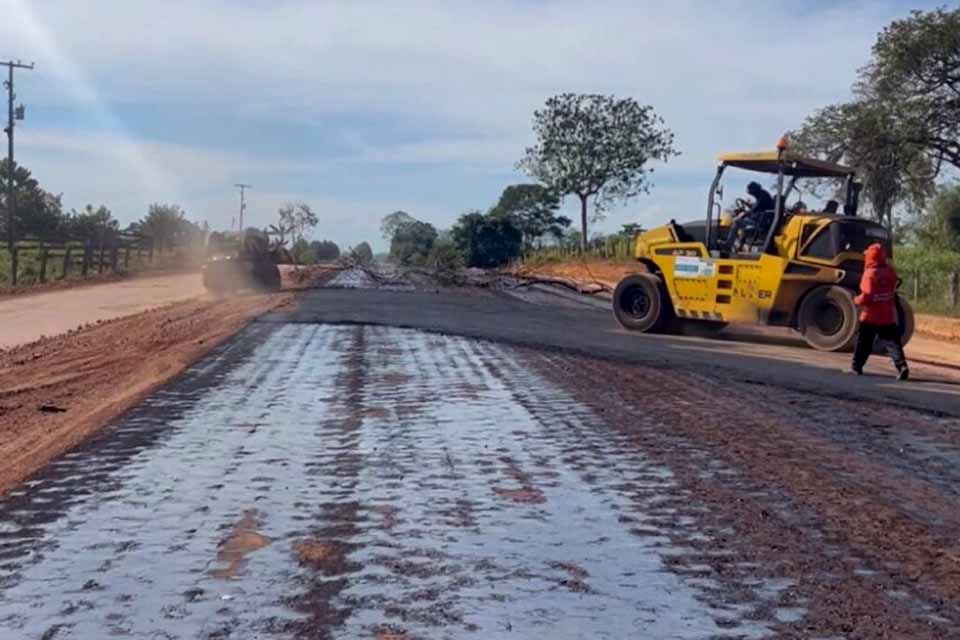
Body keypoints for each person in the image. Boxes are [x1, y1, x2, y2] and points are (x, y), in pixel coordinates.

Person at [850, 243, 909, 380]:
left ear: (870, 257)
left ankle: (856, 367)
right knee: (893, 343)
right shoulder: (889, 271)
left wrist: (856, 300)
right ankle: (902, 366)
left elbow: (868, 295)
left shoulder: (869, 274)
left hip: (870, 316)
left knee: (863, 342)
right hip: (887, 315)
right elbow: (893, 286)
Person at [726, 182, 775, 251]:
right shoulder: (762, 194)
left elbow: (754, 209)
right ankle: (739, 247)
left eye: (750, 191)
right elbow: (757, 207)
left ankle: (728, 244)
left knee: (736, 222)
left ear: (754, 189)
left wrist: (743, 214)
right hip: (762, 219)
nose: (750, 193)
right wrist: (748, 205)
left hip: (761, 221)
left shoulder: (763, 196)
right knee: (744, 228)